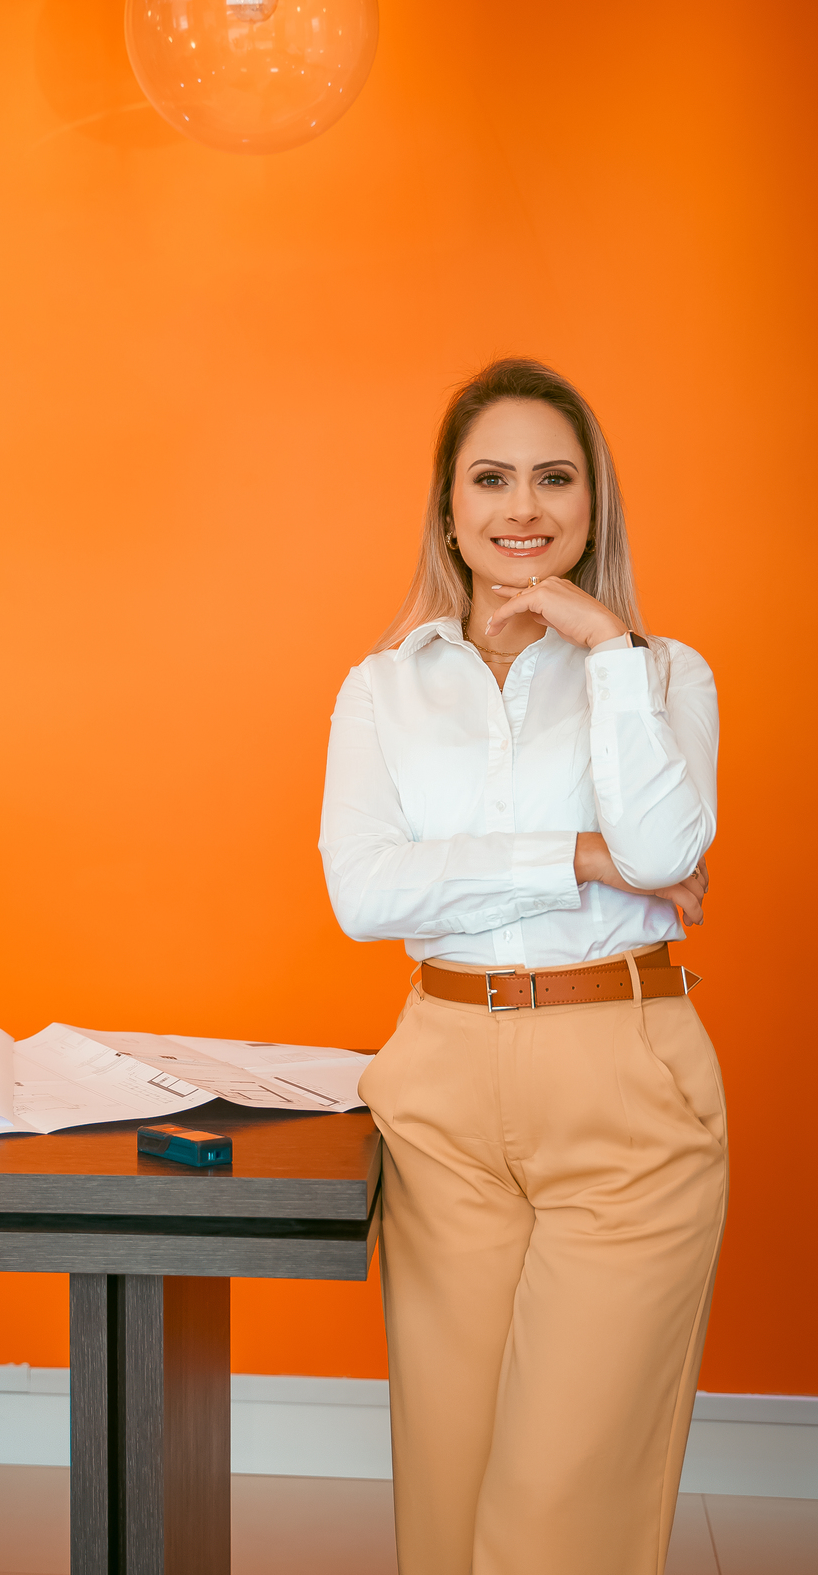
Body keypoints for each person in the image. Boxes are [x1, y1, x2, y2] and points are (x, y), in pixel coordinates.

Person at [319, 358, 726, 1575]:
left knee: (559, 1514)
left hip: (624, 1083)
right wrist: (582, 856)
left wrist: (601, 641)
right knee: (446, 1494)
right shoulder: (382, 689)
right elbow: (363, 894)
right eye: (490, 478)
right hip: (440, 1083)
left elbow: (666, 849)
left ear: (594, 501)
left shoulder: (661, 674)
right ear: (448, 506)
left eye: (556, 477)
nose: (523, 508)